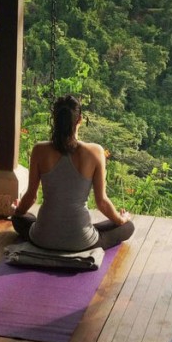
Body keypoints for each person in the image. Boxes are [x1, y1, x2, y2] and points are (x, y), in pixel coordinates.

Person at [12, 95, 134, 251]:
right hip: (80, 242)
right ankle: (83, 232)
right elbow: (101, 202)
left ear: (54, 119)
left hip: (42, 238)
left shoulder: (39, 150)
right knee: (128, 226)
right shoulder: (95, 152)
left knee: (19, 219)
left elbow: (31, 196)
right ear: (80, 120)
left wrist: (17, 211)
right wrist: (121, 219)